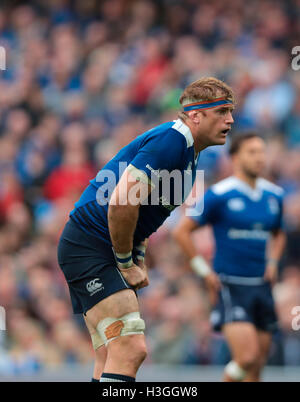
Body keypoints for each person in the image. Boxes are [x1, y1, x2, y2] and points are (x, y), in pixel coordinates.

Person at [57, 77, 235, 382]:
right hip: (92, 244)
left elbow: (144, 215)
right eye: (222, 111)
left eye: (231, 112)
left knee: (110, 353)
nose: (230, 120)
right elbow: (122, 202)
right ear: (196, 115)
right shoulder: (173, 141)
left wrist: (137, 254)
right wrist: (126, 261)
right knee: (130, 347)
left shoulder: (188, 155)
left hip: (92, 244)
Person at [173, 133, 286, 382]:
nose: (260, 158)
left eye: (262, 152)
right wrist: (204, 271)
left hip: (262, 286)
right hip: (230, 285)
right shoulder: (218, 195)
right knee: (246, 357)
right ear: (235, 158)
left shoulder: (274, 196)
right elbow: (181, 232)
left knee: (257, 365)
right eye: (252, 152)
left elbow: (279, 234)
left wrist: (273, 262)